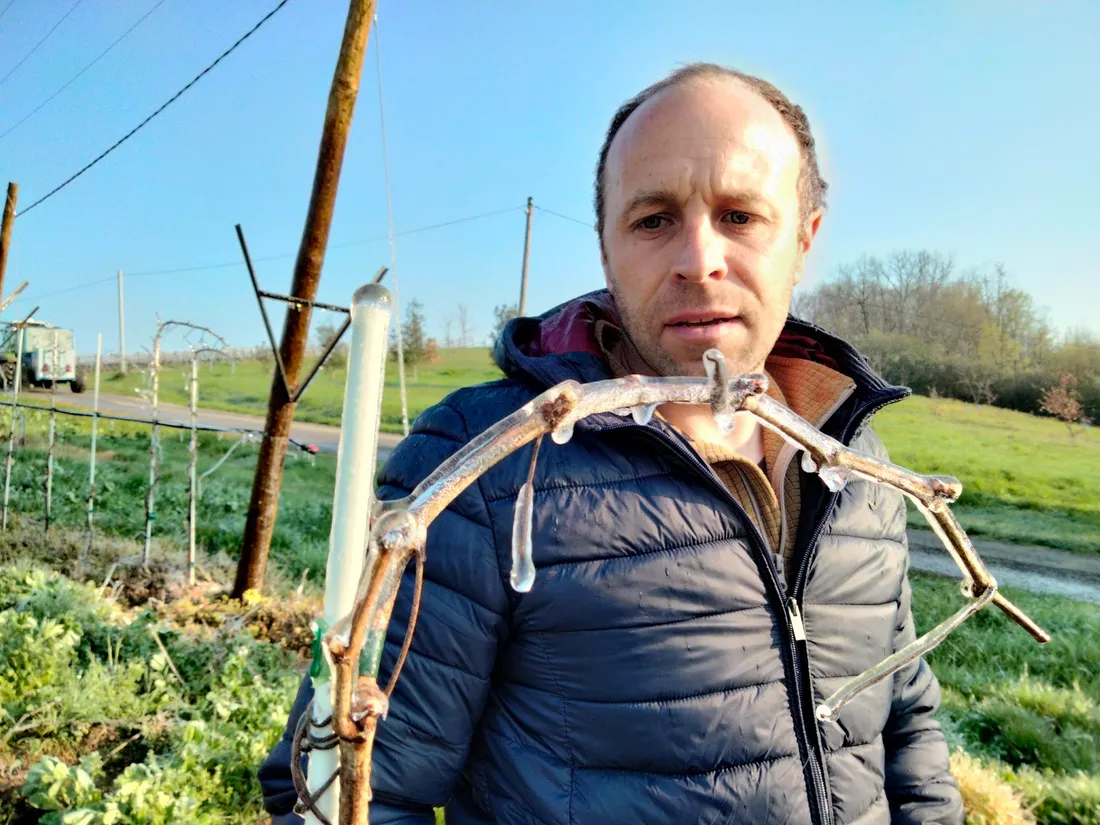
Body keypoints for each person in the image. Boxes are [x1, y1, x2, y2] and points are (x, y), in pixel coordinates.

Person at [260, 63, 963, 825]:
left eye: (740, 215)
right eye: (654, 218)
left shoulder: (856, 466)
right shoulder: (485, 466)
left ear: (804, 239)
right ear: (606, 246)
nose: (698, 259)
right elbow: (337, 794)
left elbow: (906, 725)